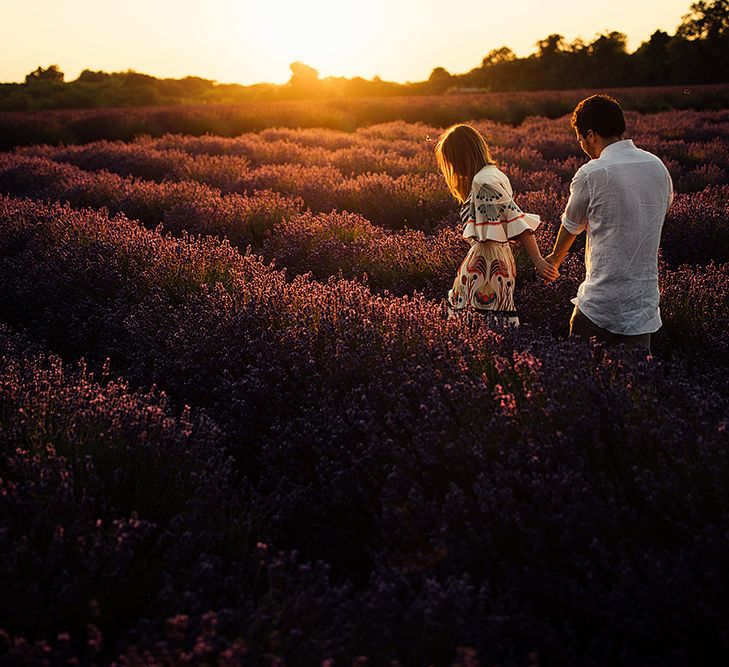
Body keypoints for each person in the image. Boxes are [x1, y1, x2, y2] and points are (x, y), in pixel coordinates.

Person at [544, 94, 674, 354]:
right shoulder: (657, 166)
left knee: (580, 382)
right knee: (635, 388)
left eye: (580, 138)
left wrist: (554, 260)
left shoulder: (592, 173)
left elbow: (571, 225)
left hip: (599, 305)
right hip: (642, 306)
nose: (581, 144)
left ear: (591, 134)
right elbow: (662, 209)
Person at [435, 124, 558, 327]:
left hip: (486, 266)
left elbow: (516, 220)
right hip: (499, 262)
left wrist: (538, 261)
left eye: (452, 161)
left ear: (462, 156)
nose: (454, 168)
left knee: (476, 328)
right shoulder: (494, 173)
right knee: (492, 325)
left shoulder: (483, 181)